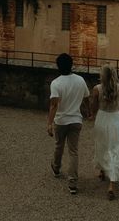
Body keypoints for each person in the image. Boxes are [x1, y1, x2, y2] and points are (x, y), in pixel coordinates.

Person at [47, 52, 90, 195]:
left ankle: (57, 168)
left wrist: (49, 123)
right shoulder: (80, 80)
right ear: (71, 65)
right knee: (73, 151)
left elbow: (54, 105)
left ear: (58, 66)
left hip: (61, 120)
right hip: (76, 120)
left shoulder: (56, 83)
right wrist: (88, 112)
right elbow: (86, 99)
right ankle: (72, 182)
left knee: (59, 145)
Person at [91, 64, 119, 200]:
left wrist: (91, 115)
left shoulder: (97, 89)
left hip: (102, 119)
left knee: (102, 145)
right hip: (114, 119)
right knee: (114, 148)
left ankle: (102, 170)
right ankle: (112, 183)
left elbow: (94, 107)